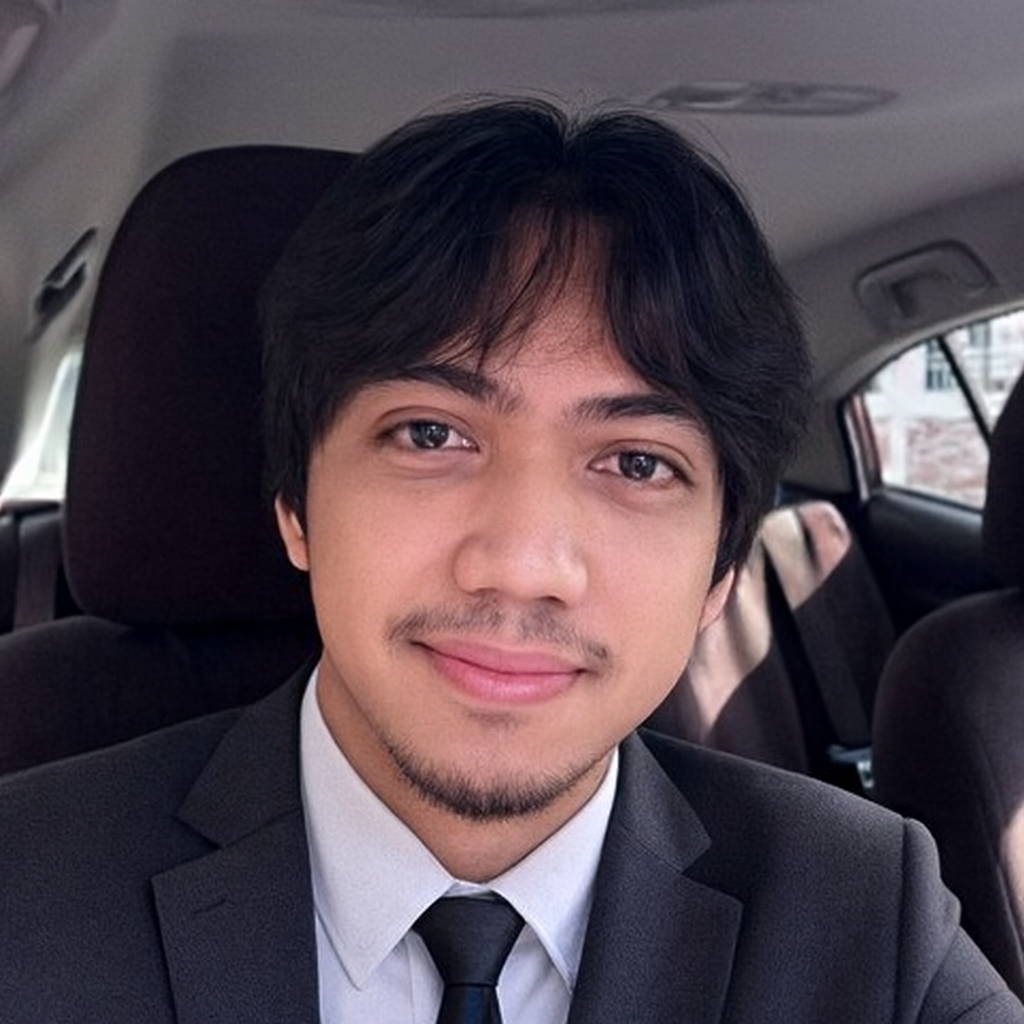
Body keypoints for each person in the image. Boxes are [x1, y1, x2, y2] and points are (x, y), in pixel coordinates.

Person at [1, 98, 1020, 1024]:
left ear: (720, 570)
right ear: (296, 505)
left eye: (636, 462)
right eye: (431, 435)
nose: (522, 565)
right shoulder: (25, 892)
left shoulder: (865, 916)